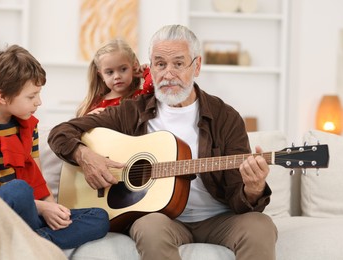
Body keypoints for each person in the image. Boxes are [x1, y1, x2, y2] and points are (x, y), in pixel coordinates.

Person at [48, 25, 277, 260]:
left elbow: (241, 202)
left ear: (196, 66)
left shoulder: (225, 118)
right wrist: (85, 156)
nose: (168, 74)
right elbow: (60, 132)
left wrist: (253, 188)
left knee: (260, 226)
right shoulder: (131, 112)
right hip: (161, 219)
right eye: (160, 64)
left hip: (218, 218)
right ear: (151, 68)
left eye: (178, 64)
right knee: (149, 227)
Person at [0, 45, 109, 250]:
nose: (39, 102)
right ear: (2, 97)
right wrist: (43, 209)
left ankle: (32, 242)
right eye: (31, 96)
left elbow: (37, 178)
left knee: (99, 217)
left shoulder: (28, 125)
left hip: (30, 212)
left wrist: (53, 209)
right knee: (18, 190)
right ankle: (33, 241)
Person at [76, 38, 153, 116]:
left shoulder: (138, 97)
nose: (117, 76)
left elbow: (152, 83)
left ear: (134, 66)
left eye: (123, 69)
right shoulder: (95, 102)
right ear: (101, 75)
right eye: (110, 72)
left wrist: (146, 72)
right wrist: (88, 118)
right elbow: (79, 125)